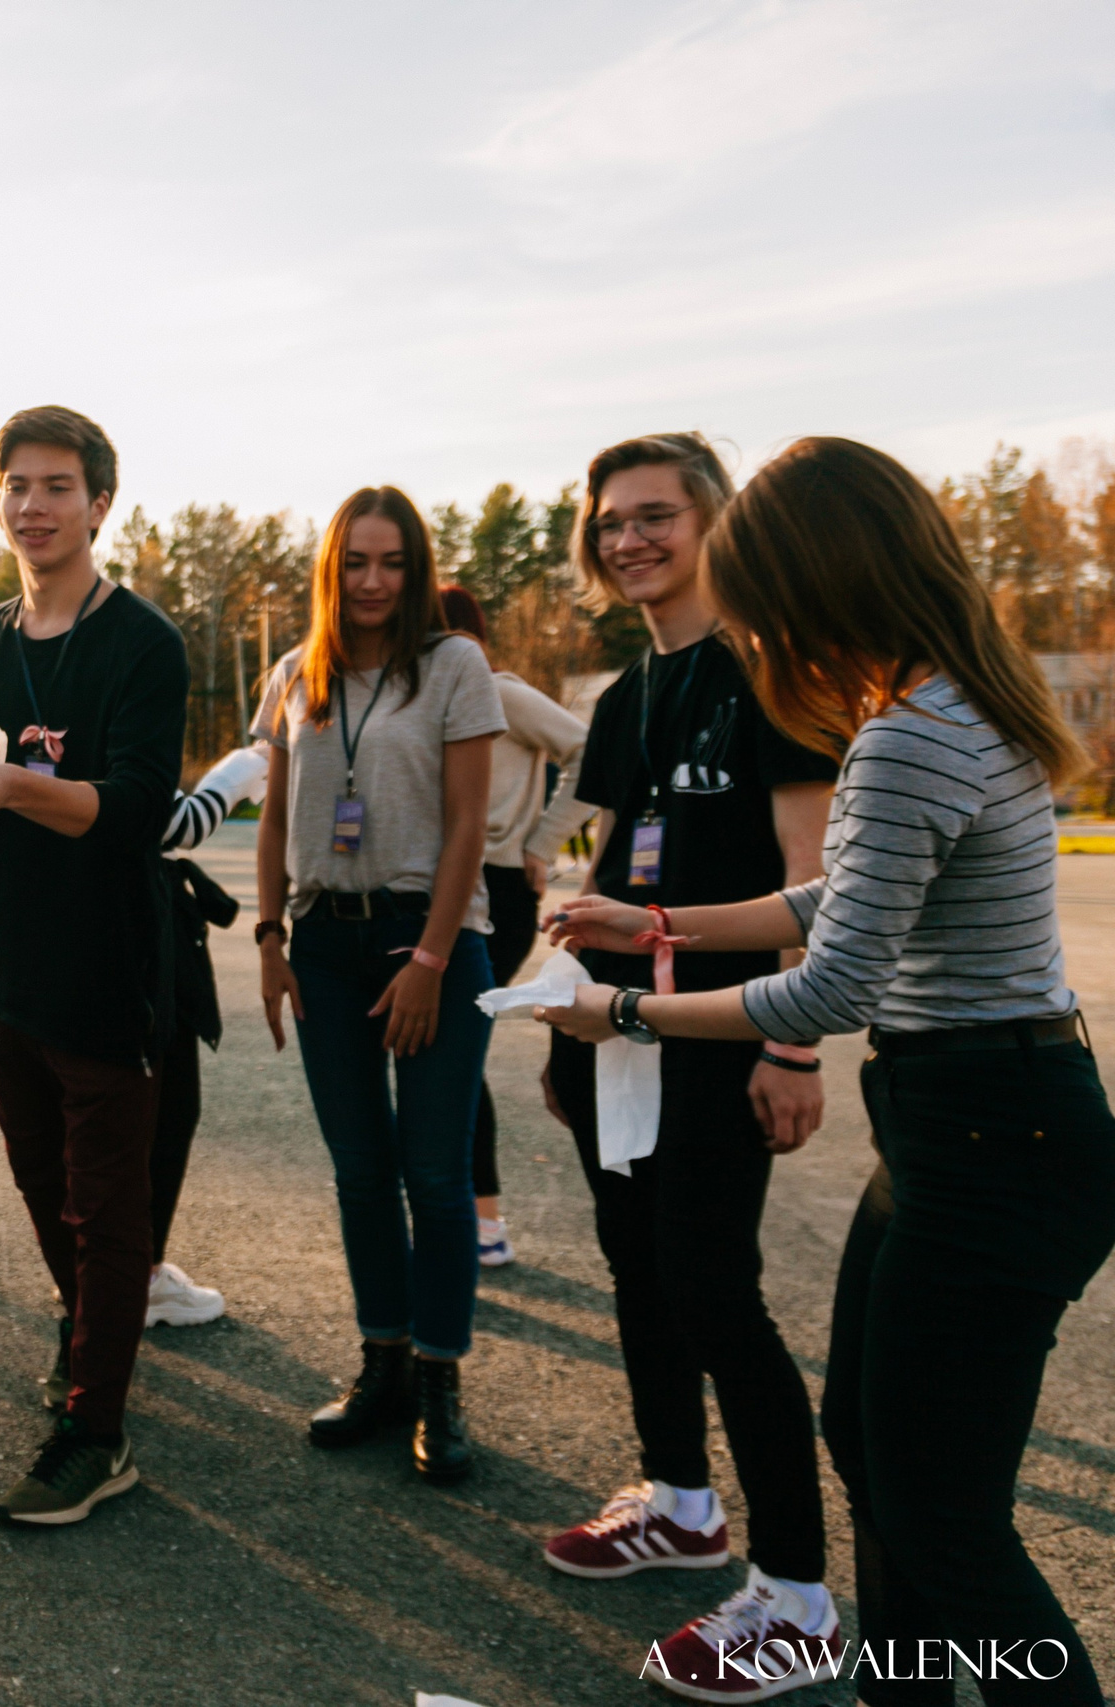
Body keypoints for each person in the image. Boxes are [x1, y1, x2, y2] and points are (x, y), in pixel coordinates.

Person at [543, 437, 1114, 1706]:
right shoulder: (944, 702)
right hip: (965, 1125)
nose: (752, 630)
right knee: (871, 1448)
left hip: (991, 1139)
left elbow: (831, 987)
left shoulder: (908, 736)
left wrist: (624, 1010)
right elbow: (832, 896)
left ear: (816, 581)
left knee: (946, 1517)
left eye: (760, 595)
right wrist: (662, 926)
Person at [528, 433, 840, 1694]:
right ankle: (678, 1504)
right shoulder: (624, 696)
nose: (628, 540)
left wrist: (793, 1046)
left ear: (712, 522)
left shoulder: (774, 675)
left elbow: (814, 882)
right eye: (609, 522)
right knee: (638, 1274)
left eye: (654, 516)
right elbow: (604, 867)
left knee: (716, 1293)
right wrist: (569, 1001)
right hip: (622, 1037)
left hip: (727, 1037)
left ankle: (800, 1593)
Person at [0, 405, 188, 1526]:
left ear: (100, 503)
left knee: (107, 1209)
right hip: (9, 967)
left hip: (107, 972)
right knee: (39, 1188)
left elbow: (129, 812)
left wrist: (14, 781)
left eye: (57, 485)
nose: (33, 505)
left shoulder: (143, 645)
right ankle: (94, 1355)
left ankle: (96, 1431)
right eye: (16, 485)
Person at [254, 487, 503, 1487]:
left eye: (391, 562)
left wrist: (433, 963)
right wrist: (269, 936)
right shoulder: (294, 673)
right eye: (353, 562)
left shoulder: (453, 666)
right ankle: (382, 1365)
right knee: (360, 1170)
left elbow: (467, 826)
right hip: (321, 940)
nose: (370, 582)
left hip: (427, 940)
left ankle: (440, 1385)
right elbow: (275, 821)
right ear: (330, 569)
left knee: (434, 1175)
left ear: (414, 568)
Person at [435, 584, 591, 1267]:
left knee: (451, 1050)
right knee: (438, 1050)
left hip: (497, 886)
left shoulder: (502, 692)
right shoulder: (431, 695)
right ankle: (465, 1215)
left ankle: (484, 1222)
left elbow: (592, 752)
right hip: (443, 885)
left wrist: (541, 841)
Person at [138, 745, 270, 1329]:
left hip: (78, 928)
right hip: (140, 926)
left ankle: (103, 1271)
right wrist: (235, 775)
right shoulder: (114, 696)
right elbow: (178, 825)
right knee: (166, 1110)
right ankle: (137, 1278)